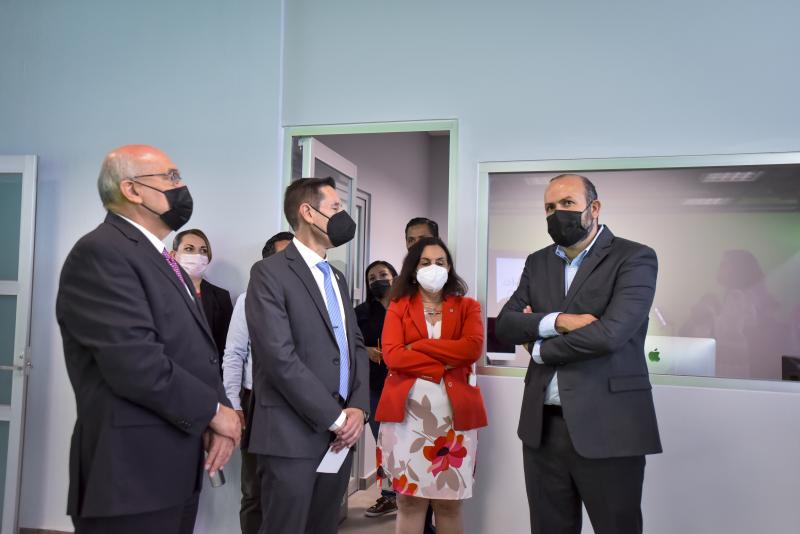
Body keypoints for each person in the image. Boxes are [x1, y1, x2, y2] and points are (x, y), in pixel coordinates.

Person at [56, 145, 241, 534]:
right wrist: (214, 410)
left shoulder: (163, 260)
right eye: (171, 177)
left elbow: (195, 351)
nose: (181, 186)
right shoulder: (101, 252)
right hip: (130, 474)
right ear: (131, 189)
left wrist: (216, 412)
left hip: (175, 465)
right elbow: (135, 363)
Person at [495, 174, 662, 534]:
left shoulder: (634, 257)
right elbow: (506, 325)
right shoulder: (538, 262)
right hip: (543, 427)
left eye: (567, 203)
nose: (557, 213)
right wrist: (560, 321)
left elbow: (610, 334)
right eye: (549, 207)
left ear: (594, 208)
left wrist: (538, 347)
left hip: (609, 426)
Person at [245, 177, 369, 534]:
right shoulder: (269, 273)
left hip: (340, 435)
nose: (343, 216)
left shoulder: (337, 278)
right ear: (308, 213)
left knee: (324, 526)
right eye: (336, 207)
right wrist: (335, 418)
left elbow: (355, 345)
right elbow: (278, 358)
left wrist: (358, 407)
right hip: (291, 434)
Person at [376, 237, 487, 534]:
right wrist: (442, 364)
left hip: (455, 420)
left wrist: (419, 346)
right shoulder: (399, 306)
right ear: (413, 270)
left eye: (440, 262)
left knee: (449, 504)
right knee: (409, 502)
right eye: (425, 262)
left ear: (449, 268)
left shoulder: (468, 306)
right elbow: (393, 356)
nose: (433, 268)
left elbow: (471, 349)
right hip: (406, 419)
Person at [222, 231, 293, 534]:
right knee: (255, 488)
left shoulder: (313, 300)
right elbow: (234, 354)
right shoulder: (248, 300)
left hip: (301, 404)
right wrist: (233, 405)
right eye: (283, 257)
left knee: (294, 486)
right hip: (257, 402)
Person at [355, 260, 399, 518]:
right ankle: (389, 495)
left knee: (406, 441)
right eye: (372, 278)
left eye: (383, 274)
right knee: (383, 442)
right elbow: (348, 344)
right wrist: (366, 351)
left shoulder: (406, 307)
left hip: (406, 386)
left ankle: (412, 495)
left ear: (394, 277)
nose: (378, 280)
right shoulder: (361, 312)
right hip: (374, 387)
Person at [172, 228, 234, 374]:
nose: (197, 255)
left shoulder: (221, 297)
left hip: (209, 376)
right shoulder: (159, 292)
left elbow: (226, 347)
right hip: (170, 375)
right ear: (173, 255)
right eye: (189, 249)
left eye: (203, 251)